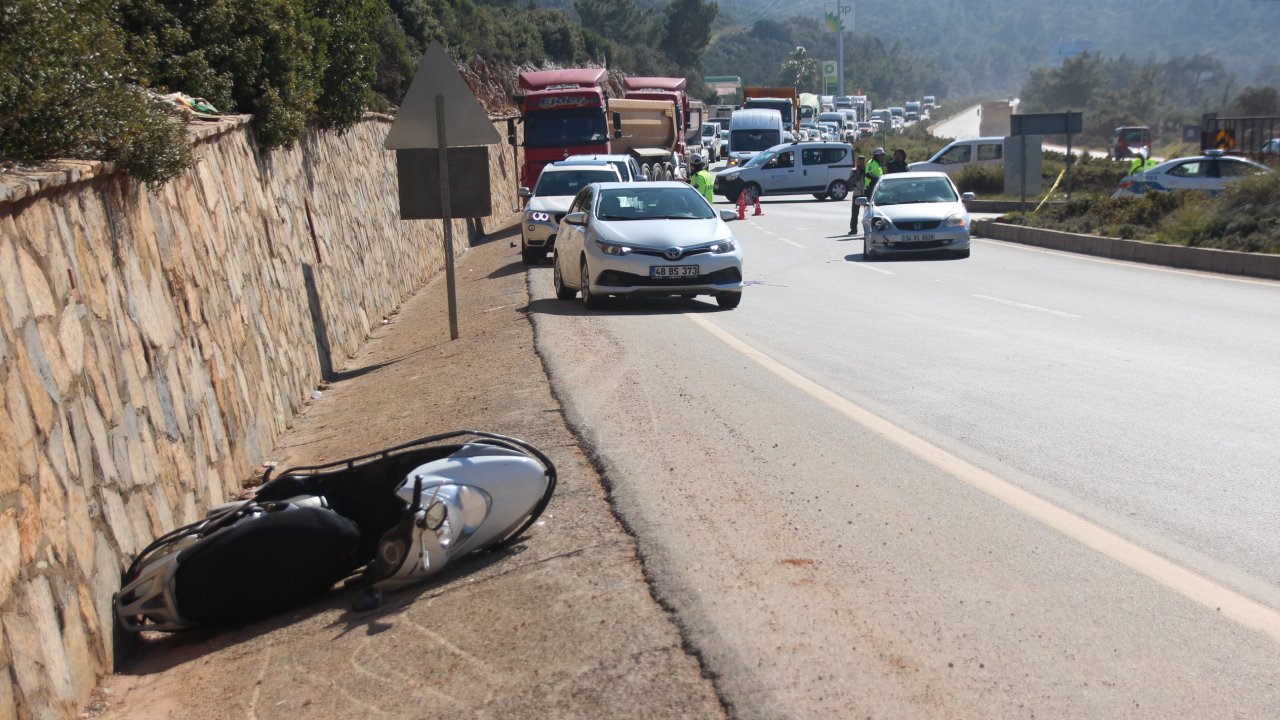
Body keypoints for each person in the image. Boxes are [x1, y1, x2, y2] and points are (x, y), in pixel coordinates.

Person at [848, 155, 867, 235]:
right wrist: (857, 173)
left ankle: (867, 230)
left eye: (863, 161)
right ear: (857, 162)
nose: (861, 163)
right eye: (860, 161)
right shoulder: (854, 171)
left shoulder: (867, 170)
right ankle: (853, 229)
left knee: (867, 213)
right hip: (857, 193)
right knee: (855, 213)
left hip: (866, 193)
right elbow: (850, 183)